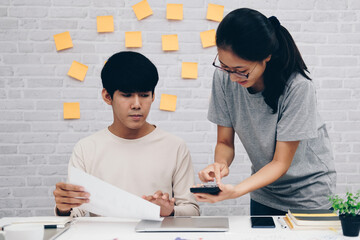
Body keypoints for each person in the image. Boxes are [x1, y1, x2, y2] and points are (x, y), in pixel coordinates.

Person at [194, 8, 336, 215]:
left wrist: (235, 191)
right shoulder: (224, 78)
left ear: (266, 56)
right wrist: (220, 164)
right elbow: (224, 142)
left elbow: (280, 163)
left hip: (309, 195)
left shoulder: (297, 87)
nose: (232, 78)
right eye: (225, 66)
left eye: (241, 71)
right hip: (265, 192)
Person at [53, 51, 199, 217]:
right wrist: (64, 208)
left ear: (153, 96)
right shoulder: (86, 149)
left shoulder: (175, 146)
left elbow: (192, 211)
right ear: (107, 97)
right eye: (127, 95)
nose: (137, 104)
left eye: (144, 95)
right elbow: (76, 213)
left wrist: (170, 212)